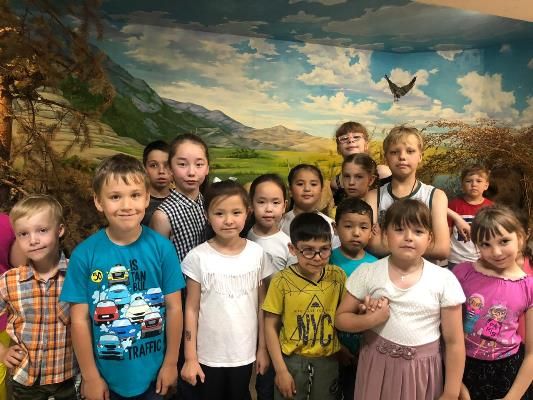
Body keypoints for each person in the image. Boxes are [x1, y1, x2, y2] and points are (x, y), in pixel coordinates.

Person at [60, 154, 185, 400]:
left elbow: (174, 308)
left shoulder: (162, 249)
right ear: (98, 201)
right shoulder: (84, 255)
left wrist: (171, 363)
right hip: (105, 379)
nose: (127, 205)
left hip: (155, 375)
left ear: (147, 198)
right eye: (115, 197)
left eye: (135, 195)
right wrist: (90, 377)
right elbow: (79, 320)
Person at [335, 199, 466, 400]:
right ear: (385, 234)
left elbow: (454, 342)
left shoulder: (444, 280)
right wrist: (370, 320)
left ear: (429, 238)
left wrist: (451, 391)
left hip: (422, 372)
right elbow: (340, 318)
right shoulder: (368, 272)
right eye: (399, 229)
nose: (408, 237)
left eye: (418, 231)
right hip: (376, 366)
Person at [180, 180, 275, 400]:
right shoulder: (197, 257)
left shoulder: (257, 254)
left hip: (244, 353)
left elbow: (263, 306)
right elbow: (191, 309)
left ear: (247, 213)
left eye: (236, 212)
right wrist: (190, 357)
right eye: (219, 213)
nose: (228, 220)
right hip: (207, 355)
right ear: (207, 215)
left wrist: (263, 348)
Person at [0, 195, 77, 400]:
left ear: (60, 230)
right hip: (25, 379)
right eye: (23, 234)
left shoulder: (76, 274)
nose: (33, 240)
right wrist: (2, 352)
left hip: (67, 376)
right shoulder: (9, 281)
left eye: (42, 230)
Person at [452, 205, 533, 400]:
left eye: (504, 241)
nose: (496, 252)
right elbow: (445, 333)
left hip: (507, 371)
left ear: (520, 237)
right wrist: (456, 383)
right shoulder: (462, 273)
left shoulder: (529, 286)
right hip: (461, 366)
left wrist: (512, 397)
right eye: (485, 244)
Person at [263, 212, 346, 400]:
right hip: (291, 363)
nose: (317, 257)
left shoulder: (337, 276)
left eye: (324, 249)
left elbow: (344, 314)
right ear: (292, 249)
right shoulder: (281, 281)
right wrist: (281, 370)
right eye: (308, 250)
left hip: (328, 362)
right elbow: (270, 326)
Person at [367, 126, 450, 261]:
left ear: (420, 156)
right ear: (386, 157)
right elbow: (373, 244)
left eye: (410, 151)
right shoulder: (373, 197)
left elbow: (441, 249)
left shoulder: (436, 196)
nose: (402, 157)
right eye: (394, 152)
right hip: (385, 271)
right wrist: (422, 245)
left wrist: (387, 244)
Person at [330, 198, 377, 400]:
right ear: (335, 228)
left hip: (364, 350)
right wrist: (335, 346)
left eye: (363, 227)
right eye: (348, 226)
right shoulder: (326, 261)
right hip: (330, 347)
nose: (356, 233)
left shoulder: (376, 266)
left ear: (372, 230)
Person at [150, 133, 210, 262]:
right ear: (170, 169)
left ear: (207, 169)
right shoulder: (163, 216)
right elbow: (159, 262)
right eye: (182, 164)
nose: (191, 172)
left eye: (199, 164)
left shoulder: (210, 204)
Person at [331, 121, 391, 206]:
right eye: (344, 138)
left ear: (366, 144)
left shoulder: (382, 172)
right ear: (338, 148)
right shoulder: (335, 183)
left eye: (356, 137)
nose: (350, 140)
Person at [280, 164, 340, 248]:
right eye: (300, 184)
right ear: (290, 190)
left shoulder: (331, 226)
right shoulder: (280, 224)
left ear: (321, 190)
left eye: (313, 184)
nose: (307, 189)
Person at [447, 164, 493, 269]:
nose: (473, 184)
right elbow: (447, 232)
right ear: (462, 185)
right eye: (468, 181)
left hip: (483, 260)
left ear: (486, 185)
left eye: (479, 181)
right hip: (457, 260)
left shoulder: (491, 207)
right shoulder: (453, 205)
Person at [141, 140, 172, 226]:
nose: (161, 171)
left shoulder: (180, 200)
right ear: (145, 169)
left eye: (167, 165)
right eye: (153, 165)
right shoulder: (137, 202)